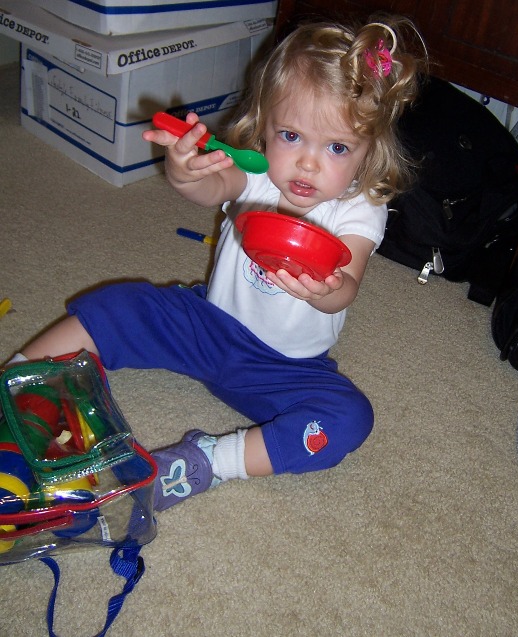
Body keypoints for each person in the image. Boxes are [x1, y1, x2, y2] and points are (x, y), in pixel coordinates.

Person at [4, 16, 427, 512]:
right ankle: (17, 382)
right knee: (118, 304)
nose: (308, 164)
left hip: (283, 368)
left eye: (336, 147)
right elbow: (211, 188)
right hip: (206, 324)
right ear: (264, 124)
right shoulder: (259, 174)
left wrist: (326, 290)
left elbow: (347, 283)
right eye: (291, 136)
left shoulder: (359, 209)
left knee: (349, 418)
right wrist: (184, 172)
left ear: (368, 151)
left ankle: (209, 460)